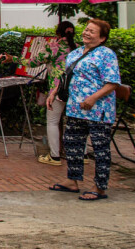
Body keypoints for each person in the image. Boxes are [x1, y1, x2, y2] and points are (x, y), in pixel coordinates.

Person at [49, 19, 120, 201]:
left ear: (102, 38)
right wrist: (54, 92)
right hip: (75, 109)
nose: (87, 33)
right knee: (73, 144)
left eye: (92, 31)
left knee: (100, 148)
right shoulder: (75, 53)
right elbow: (66, 77)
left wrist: (93, 98)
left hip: (98, 110)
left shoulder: (106, 54)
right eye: (86, 30)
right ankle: (72, 181)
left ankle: (100, 187)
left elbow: (112, 83)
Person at [0, 21, 76, 165]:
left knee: (53, 121)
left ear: (58, 32)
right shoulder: (77, 48)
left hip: (57, 89)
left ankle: (54, 156)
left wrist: (13, 59)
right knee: (76, 121)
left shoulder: (53, 47)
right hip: (76, 89)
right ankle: (82, 155)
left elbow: (33, 63)